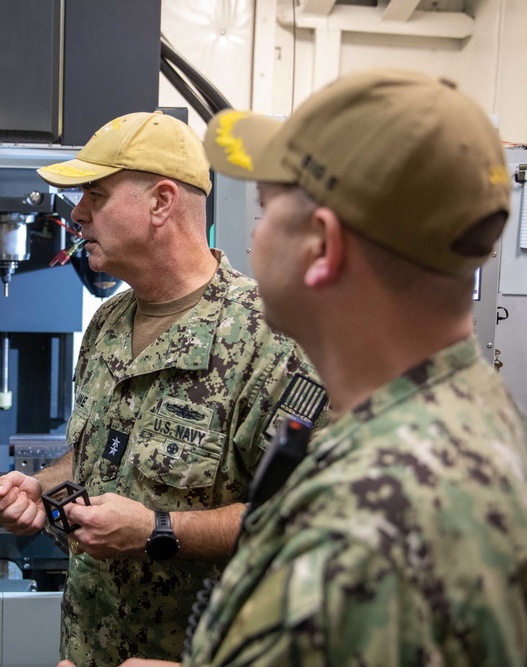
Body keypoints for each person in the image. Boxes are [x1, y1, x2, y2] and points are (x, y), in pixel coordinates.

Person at [120, 69, 527, 667]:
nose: (254, 240)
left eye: (265, 211)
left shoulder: (361, 522)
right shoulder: (468, 412)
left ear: (321, 247)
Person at [0, 110, 328, 667]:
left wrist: (159, 531)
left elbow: (303, 520)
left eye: (95, 195)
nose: (78, 214)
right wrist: (39, 486)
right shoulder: (106, 322)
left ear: (161, 203)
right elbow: (96, 454)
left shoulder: (272, 339)